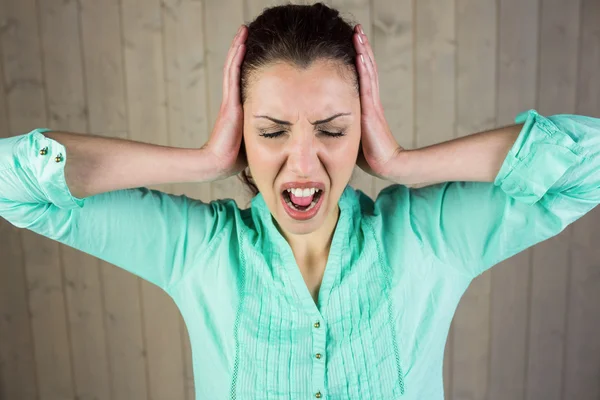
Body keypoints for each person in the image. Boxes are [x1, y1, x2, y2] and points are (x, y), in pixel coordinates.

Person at [0, 3, 599, 399]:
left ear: (363, 131)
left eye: (333, 130)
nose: (303, 163)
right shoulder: (200, 253)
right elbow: (15, 186)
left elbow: (587, 167)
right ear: (242, 137)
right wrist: (203, 161)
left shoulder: (427, 239)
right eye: (272, 131)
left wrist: (402, 163)